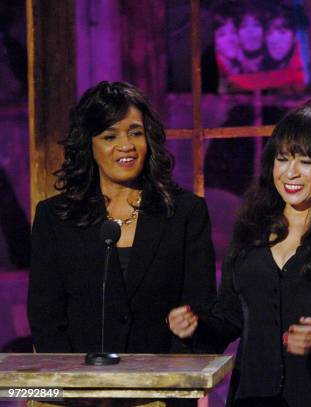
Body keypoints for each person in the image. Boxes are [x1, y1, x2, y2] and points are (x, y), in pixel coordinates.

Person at [168, 99, 311, 406]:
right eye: (283, 159)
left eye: (306, 161)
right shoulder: (250, 229)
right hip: (253, 397)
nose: (290, 173)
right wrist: (196, 327)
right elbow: (229, 317)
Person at [28, 81, 216, 354]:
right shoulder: (54, 218)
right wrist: (75, 386)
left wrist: (185, 340)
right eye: (110, 136)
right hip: (80, 388)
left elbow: (202, 306)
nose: (126, 146)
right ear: (88, 145)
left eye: (135, 133)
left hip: (165, 383)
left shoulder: (185, 213)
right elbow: (46, 320)